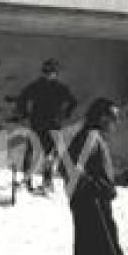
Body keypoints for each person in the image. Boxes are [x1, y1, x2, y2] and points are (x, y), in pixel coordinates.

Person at [63, 98, 128, 255]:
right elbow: (68, 167)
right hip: (93, 203)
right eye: (113, 117)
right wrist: (92, 188)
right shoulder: (91, 137)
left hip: (87, 202)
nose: (115, 124)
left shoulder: (87, 136)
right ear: (102, 117)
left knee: (87, 252)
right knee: (110, 253)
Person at [15, 58, 77, 190]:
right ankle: (28, 181)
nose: (49, 74)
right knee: (33, 153)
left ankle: (46, 182)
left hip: (51, 126)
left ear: (55, 73)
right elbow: (22, 99)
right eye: (47, 72)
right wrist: (24, 114)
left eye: (51, 72)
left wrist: (65, 115)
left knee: (48, 155)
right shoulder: (38, 86)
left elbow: (73, 102)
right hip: (39, 125)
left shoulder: (59, 88)